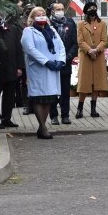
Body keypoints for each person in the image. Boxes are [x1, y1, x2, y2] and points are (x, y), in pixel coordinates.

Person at [20, 7, 66, 139]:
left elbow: (61, 46)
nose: (41, 17)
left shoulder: (51, 30)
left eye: (43, 14)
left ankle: (42, 127)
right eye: (38, 15)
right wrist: (46, 62)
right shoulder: (28, 31)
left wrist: (61, 61)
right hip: (38, 69)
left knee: (48, 98)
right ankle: (43, 127)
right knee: (39, 97)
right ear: (32, 18)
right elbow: (30, 49)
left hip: (52, 69)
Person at [76, 1, 108, 117]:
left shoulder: (102, 23)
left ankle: (93, 108)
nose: (93, 9)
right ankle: (79, 108)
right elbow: (80, 41)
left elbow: (104, 40)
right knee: (84, 83)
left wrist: (97, 49)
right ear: (86, 11)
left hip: (98, 57)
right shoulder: (81, 24)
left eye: (94, 7)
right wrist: (89, 50)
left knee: (96, 83)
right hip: (86, 57)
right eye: (90, 8)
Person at [49, 3, 78, 125]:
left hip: (65, 63)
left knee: (65, 92)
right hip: (52, 63)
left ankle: (65, 115)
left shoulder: (70, 23)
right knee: (53, 91)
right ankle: (53, 116)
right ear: (52, 11)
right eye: (57, 9)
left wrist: (68, 57)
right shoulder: (47, 24)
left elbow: (74, 43)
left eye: (61, 9)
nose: (60, 11)